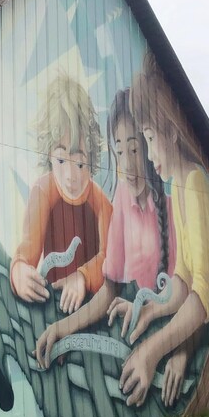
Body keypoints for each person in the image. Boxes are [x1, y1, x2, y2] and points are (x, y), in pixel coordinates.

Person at [34, 88, 175, 376]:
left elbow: (187, 293)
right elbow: (110, 288)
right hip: (136, 330)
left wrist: (180, 352)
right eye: (120, 151)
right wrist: (62, 328)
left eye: (135, 149)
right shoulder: (122, 196)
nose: (127, 162)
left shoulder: (173, 204)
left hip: (165, 334)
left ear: (153, 143)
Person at [112, 54, 209, 408]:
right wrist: (150, 307)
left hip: (206, 333)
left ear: (172, 133)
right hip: (189, 320)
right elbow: (182, 280)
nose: (146, 153)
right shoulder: (177, 186)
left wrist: (153, 351)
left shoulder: (195, 183)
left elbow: (204, 294)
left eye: (148, 138)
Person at [10, 74, 111, 314]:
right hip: (54, 305)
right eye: (61, 160)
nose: (70, 176)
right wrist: (19, 271)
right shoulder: (43, 191)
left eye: (79, 163)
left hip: (94, 310)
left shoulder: (102, 204)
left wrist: (83, 278)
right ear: (49, 155)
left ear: (92, 158)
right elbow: (28, 248)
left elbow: (111, 257)